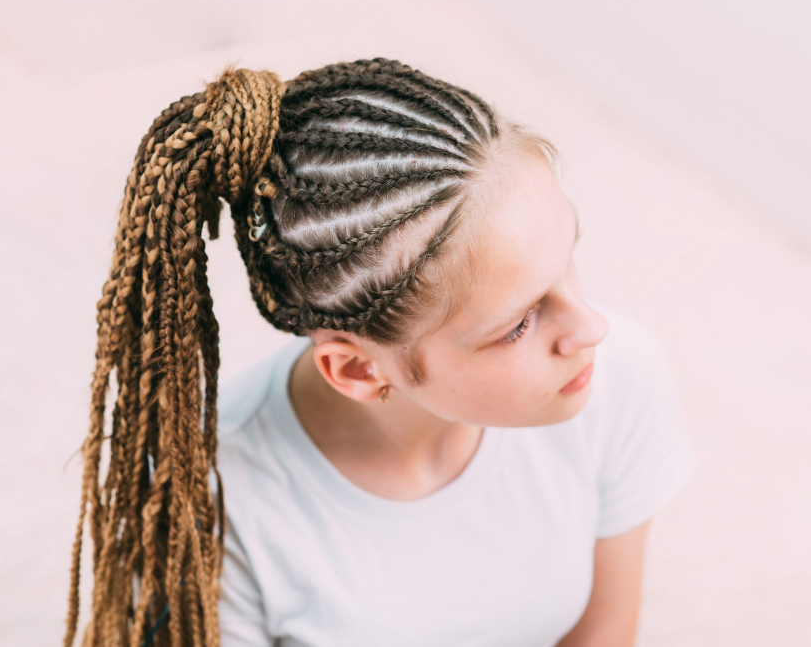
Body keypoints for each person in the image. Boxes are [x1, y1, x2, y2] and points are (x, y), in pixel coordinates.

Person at [64, 58, 696, 647]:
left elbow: (603, 632)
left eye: (568, 258)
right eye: (517, 326)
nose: (590, 328)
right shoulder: (217, 502)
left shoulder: (613, 377)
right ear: (359, 369)